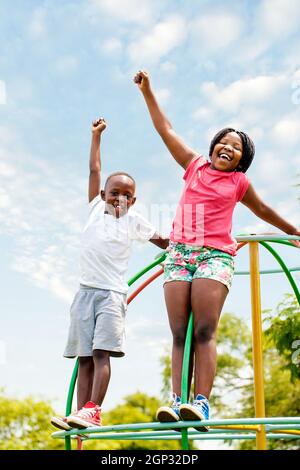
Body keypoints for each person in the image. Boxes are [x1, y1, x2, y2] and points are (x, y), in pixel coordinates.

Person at [134, 70, 300, 431]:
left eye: (236, 147)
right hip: (178, 254)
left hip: (215, 255)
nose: (228, 147)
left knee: (205, 331)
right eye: (223, 142)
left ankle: (201, 404)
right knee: (180, 334)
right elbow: (166, 130)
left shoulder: (239, 182)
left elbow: (264, 210)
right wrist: (149, 92)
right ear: (212, 147)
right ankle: (177, 401)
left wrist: (293, 231)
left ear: (242, 160)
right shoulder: (193, 165)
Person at [51, 117, 168, 431]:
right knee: (83, 357)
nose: (120, 198)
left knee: (102, 353)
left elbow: (164, 242)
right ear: (103, 194)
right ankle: (79, 415)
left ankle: (94, 409)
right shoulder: (93, 207)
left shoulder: (134, 220)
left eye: (127, 195)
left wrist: (187, 244)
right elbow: (94, 169)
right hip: (83, 294)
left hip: (111, 295)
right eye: (115, 192)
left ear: (134, 200)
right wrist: (96, 137)